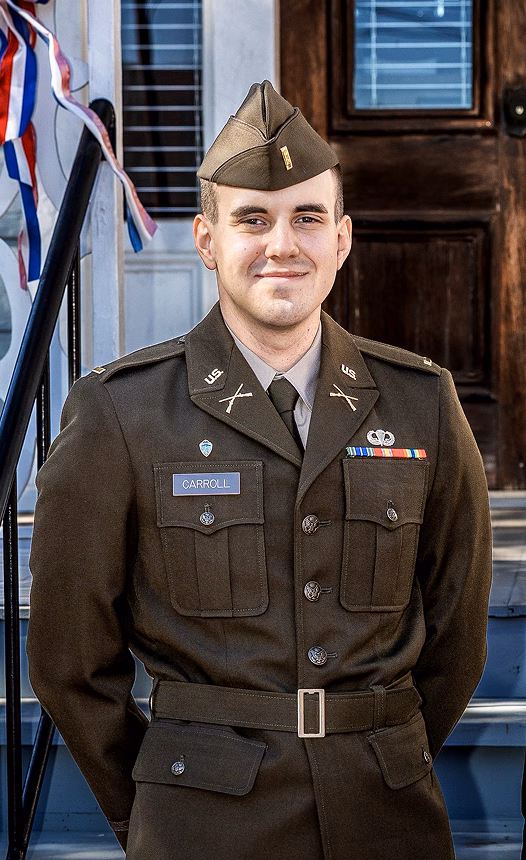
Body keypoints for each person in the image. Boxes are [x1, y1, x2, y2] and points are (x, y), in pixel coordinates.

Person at [27, 81, 492, 860]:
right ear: (207, 241)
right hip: (201, 825)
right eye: (253, 219)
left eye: (308, 217)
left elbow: (459, 636)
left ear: (341, 239)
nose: (283, 244)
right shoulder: (121, 415)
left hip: (388, 816)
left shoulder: (422, 404)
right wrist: (153, 804)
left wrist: (381, 747)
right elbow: (69, 662)